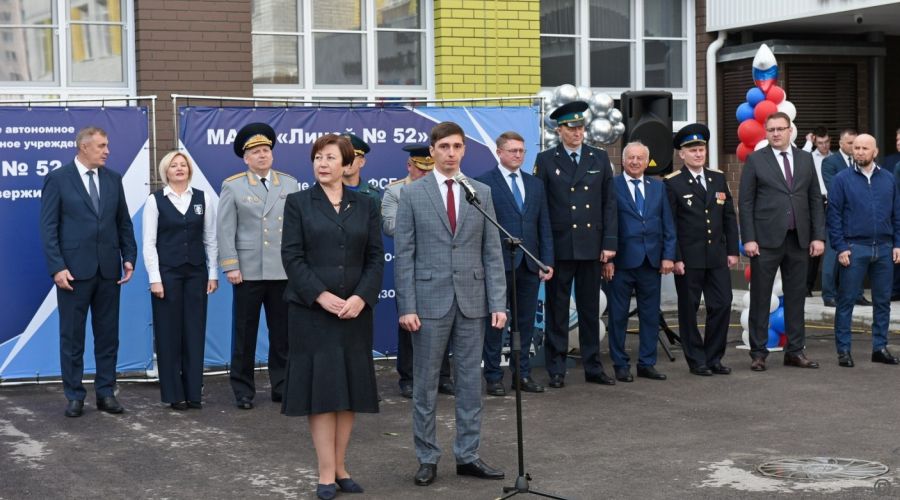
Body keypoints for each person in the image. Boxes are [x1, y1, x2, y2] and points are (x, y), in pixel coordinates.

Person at [394, 121, 507, 486]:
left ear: (464, 150)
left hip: (472, 301)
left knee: (470, 384)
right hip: (428, 302)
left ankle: (468, 455)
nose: (451, 153)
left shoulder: (481, 193)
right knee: (426, 385)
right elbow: (405, 254)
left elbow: (492, 252)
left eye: (457, 146)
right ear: (432, 151)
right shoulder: (412, 194)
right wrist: (406, 306)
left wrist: (498, 303)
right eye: (443, 147)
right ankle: (427, 457)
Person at [280, 134, 384, 500]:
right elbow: (292, 257)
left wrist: (361, 297)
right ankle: (325, 473)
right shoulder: (298, 203)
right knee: (322, 393)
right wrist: (321, 296)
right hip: (312, 313)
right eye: (317, 158)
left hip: (354, 313)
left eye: (330, 158)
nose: (322, 164)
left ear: (347, 164)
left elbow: (375, 257)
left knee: (349, 391)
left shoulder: (366, 205)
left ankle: (341, 467)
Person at [39, 126, 137, 417]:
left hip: (108, 271)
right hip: (73, 274)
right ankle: (74, 396)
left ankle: (106, 393)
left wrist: (128, 257)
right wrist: (57, 267)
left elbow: (124, 223)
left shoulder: (113, 179)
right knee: (72, 337)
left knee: (108, 336)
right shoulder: (58, 179)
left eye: (107, 145)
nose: (107, 151)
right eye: (101, 146)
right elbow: (48, 228)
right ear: (84, 147)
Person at [533, 100, 618, 389]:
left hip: (591, 245)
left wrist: (608, 245)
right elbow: (542, 207)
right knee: (557, 309)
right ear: (560, 131)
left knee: (589, 309)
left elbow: (609, 204)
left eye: (581, 127)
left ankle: (593, 365)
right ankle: (556, 367)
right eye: (572, 128)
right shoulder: (546, 160)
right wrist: (545, 251)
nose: (578, 133)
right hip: (560, 245)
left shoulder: (598, 157)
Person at [217, 122, 299, 409]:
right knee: (245, 333)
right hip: (249, 270)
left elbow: (295, 228)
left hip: (281, 270)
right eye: (256, 152)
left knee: (283, 334)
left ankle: (282, 385)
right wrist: (230, 265)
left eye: (266, 150)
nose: (262, 155)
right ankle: (243, 389)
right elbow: (225, 229)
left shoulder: (289, 184)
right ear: (246, 158)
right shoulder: (234, 185)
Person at [739, 111, 825, 371]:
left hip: (798, 239)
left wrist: (818, 236)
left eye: (780, 129)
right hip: (765, 241)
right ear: (766, 132)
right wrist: (749, 239)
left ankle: (795, 351)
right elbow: (745, 202)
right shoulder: (756, 160)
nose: (776, 133)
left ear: (790, 131)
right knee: (761, 297)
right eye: (771, 129)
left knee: (797, 297)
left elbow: (814, 201)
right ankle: (758, 353)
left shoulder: (805, 159)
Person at [476, 131, 554, 396]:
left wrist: (546, 260)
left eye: (521, 151)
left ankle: (522, 375)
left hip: (530, 264)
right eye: (512, 151)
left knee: (526, 323)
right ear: (499, 152)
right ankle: (494, 376)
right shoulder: (484, 183)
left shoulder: (535, 185)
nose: (518, 155)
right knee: (497, 322)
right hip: (498, 265)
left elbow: (543, 224)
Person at [142, 151, 218, 410]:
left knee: (194, 331)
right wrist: (155, 279)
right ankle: (174, 394)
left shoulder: (202, 198)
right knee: (168, 333)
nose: (179, 168)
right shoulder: (156, 201)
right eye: (173, 165)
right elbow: (149, 244)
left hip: (196, 273)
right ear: (166, 171)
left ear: (189, 169)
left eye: (183, 164)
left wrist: (213, 273)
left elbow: (210, 239)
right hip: (167, 275)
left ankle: (194, 392)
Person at [664, 124, 738, 376]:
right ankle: (696, 359)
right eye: (693, 150)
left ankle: (714, 356)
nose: (698, 154)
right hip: (689, 258)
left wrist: (732, 250)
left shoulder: (717, 178)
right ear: (681, 154)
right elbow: (670, 224)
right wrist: (675, 257)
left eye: (701, 149)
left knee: (722, 303)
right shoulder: (673, 183)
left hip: (716, 255)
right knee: (689, 309)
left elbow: (728, 216)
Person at [382, 144, 455, 399]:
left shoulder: (446, 188)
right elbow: (390, 226)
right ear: (409, 166)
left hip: (442, 266)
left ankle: (443, 376)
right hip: (411, 266)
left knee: (444, 322)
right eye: (419, 169)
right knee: (409, 324)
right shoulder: (395, 191)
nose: (424, 174)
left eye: (428, 169)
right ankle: (409, 378)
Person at [603, 142, 676, 382]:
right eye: (631, 158)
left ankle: (647, 363)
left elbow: (667, 223)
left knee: (650, 315)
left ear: (647, 162)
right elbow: (606, 223)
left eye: (640, 158)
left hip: (651, 261)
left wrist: (668, 256)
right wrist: (607, 259)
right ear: (623, 161)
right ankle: (620, 364)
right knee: (618, 316)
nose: (635, 162)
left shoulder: (658, 187)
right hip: (621, 262)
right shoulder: (611, 186)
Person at [826, 133, 900, 368]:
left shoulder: (888, 179)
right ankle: (844, 351)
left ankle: (879, 347)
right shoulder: (841, 179)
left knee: (882, 302)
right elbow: (833, 215)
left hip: (885, 249)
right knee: (846, 301)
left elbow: (897, 214)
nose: (859, 152)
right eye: (856, 148)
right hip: (854, 248)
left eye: (864, 148)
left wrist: (898, 243)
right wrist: (840, 247)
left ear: (875, 152)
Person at [820, 128, 869, 307]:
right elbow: (833, 189)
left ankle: (857, 294)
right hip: (837, 217)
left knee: (858, 257)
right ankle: (829, 294)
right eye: (850, 143)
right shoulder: (830, 162)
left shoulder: (862, 162)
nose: (855, 147)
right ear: (841, 144)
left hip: (858, 218)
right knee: (832, 257)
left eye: (856, 144)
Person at [801, 127, 831, 296]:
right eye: (820, 143)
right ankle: (807, 286)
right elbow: (799, 158)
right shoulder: (809, 156)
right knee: (814, 244)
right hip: (815, 201)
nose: (824, 146)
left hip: (832, 201)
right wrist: (808, 142)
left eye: (826, 142)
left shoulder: (835, 159)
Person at [341, 133, 382, 210]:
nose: (346, 160)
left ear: (361, 162)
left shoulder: (372, 195)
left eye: (351, 156)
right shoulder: (327, 191)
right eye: (342, 156)